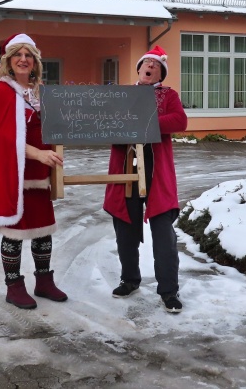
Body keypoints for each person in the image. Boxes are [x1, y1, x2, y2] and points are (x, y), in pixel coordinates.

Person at [0, 33, 67, 309]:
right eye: (17, 54)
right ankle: (14, 286)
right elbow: (4, 138)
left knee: (42, 229)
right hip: (14, 173)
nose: (23, 59)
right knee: (14, 231)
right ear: (8, 60)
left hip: (39, 173)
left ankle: (44, 281)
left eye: (28, 55)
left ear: (35, 61)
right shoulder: (1, 92)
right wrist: (38, 153)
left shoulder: (40, 91)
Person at [103, 45, 188, 313]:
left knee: (163, 234)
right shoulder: (123, 95)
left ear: (160, 72)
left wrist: (144, 122)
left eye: (156, 66)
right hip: (126, 169)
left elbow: (179, 120)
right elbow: (108, 125)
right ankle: (129, 280)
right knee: (125, 229)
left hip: (156, 172)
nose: (150, 68)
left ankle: (169, 291)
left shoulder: (169, 95)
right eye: (146, 64)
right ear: (139, 69)